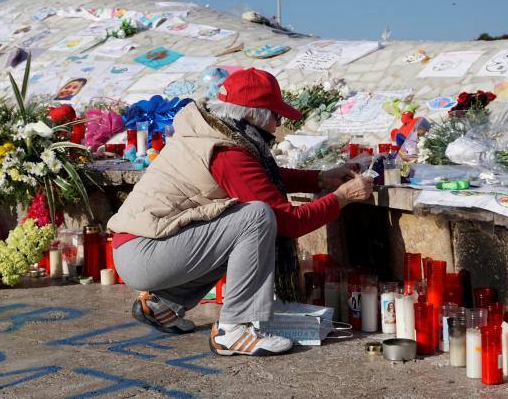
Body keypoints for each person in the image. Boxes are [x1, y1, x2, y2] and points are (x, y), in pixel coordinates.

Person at [107, 68, 373, 356]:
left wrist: (320, 179)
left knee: (233, 226)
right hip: (144, 253)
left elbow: (257, 177)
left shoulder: (216, 132)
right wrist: (342, 198)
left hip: (138, 246)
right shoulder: (226, 152)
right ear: (254, 114)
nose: (278, 124)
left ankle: (164, 305)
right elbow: (287, 222)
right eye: (276, 116)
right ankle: (234, 329)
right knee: (256, 219)